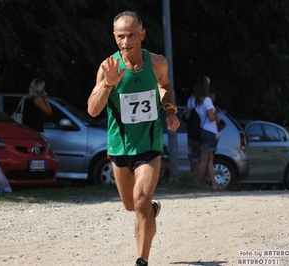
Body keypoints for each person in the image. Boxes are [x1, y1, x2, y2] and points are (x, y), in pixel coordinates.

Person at [87, 11, 180, 266]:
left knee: (140, 200)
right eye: (120, 36)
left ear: (142, 34)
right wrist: (107, 85)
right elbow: (93, 110)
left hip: (149, 143)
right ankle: (151, 212)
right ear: (114, 37)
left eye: (130, 35)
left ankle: (142, 259)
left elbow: (166, 87)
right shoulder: (109, 67)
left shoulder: (157, 63)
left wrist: (170, 110)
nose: (125, 41)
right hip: (119, 145)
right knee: (131, 205)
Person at [185, 76, 222, 189]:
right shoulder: (207, 100)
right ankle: (198, 183)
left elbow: (187, 116)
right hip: (210, 131)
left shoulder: (192, 100)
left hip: (200, 131)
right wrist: (217, 113)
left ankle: (214, 184)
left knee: (210, 159)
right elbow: (211, 118)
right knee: (205, 159)